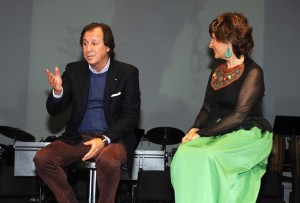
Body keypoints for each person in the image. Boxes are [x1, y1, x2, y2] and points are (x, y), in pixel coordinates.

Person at [170, 12, 273, 203]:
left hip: (246, 134)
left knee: (210, 156)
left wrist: (202, 133)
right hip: (218, 131)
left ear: (228, 42)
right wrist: (193, 128)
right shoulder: (218, 72)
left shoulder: (254, 73)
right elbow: (207, 108)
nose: (210, 44)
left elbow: (238, 116)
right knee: (184, 153)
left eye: (214, 39)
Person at [34, 22, 141, 203]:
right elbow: (54, 110)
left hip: (113, 139)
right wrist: (58, 91)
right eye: (84, 43)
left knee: (108, 161)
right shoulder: (74, 71)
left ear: (108, 47)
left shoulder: (127, 73)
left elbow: (131, 117)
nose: (88, 49)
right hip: (80, 138)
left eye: (94, 43)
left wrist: (104, 139)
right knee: (43, 159)